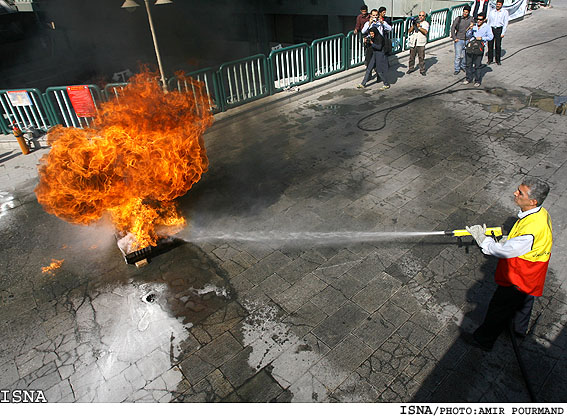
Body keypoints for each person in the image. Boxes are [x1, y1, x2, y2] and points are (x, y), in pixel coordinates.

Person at [464, 177, 553, 351]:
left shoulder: (531, 230)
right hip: (533, 273)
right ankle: (518, 330)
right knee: (525, 300)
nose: (515, 193)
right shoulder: (540, 214)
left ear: (532, 201)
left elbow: (504, 251)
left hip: (520, 276)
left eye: (520, 192)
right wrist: (506, 239)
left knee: (499, 307)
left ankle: (484, 340)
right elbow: (521, 242)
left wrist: (484, 241)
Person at [463, 13, 493, 87]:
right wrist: (470, 29)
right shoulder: (474, 26)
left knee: (477, 65)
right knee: (468, 64)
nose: (478, 21)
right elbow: (468, 35)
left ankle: (477, 80)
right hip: (471, 46)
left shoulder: (487, 27)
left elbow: (491, 37)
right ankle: (468, 78)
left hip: (479, 47)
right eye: (477, 19)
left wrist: (482, 38)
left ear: (483, 20)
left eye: (480, 20)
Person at [450, 5, 473, 75]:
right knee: (458, 56)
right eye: (464, 12)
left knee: (465, 55)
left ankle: (463, 66)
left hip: (467, 40)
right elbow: (452, 28)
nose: (465, 13)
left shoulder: (471, 19)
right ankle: (457, 68)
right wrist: (455, 38)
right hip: (459, 39)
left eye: (466, 12)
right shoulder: (458, 19)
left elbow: (474, 28)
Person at [406, 11, 429, 76]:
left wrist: (419, 27)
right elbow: (409, 31)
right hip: (414, 42)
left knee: (421, 57)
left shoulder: (425, 23)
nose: (420, 17)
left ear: (424, 17)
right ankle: (411, 68)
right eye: (419, 15)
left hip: (421, 42)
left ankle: (422, 70)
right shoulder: (415, 22)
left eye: (422, 16)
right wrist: (414, 25)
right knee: (411, 57)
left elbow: (425, 32)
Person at [487, 0, 509, 65]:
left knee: (498, 45)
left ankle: (498, 60)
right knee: (490, 45)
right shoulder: (492, 12)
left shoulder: (504, 12)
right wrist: (487, 31)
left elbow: (505, 23)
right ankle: (490, 59)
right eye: (497, 4)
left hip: (499, 29)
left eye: (499, 4)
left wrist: (503, 33)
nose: (497, 5)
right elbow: (489, 21)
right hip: (492, 29)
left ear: (501, 5)